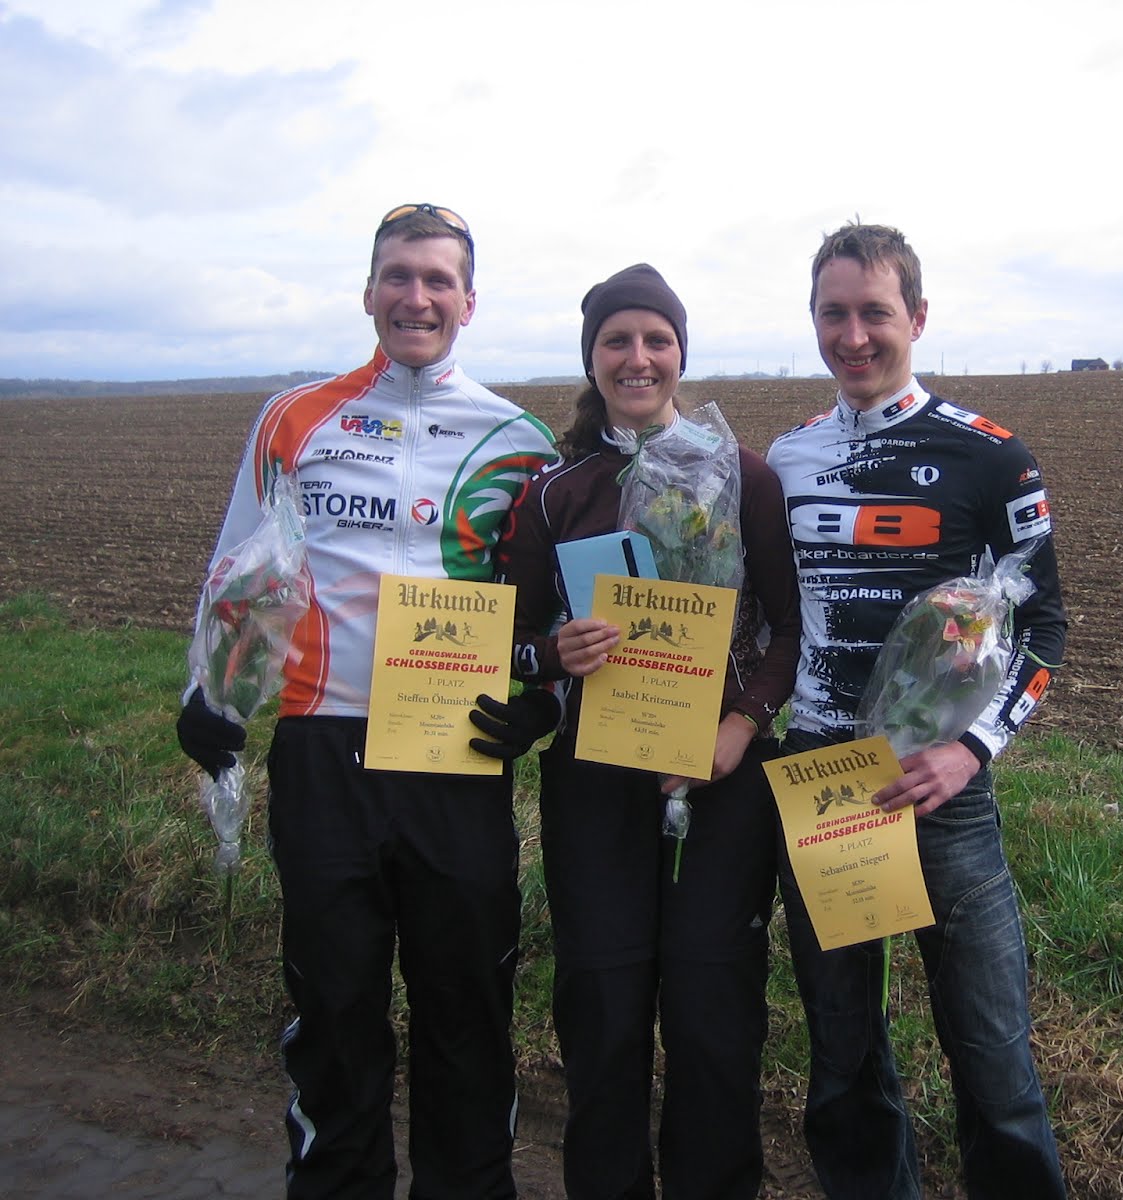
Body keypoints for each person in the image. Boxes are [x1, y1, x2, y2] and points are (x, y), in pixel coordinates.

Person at [175, 203, 560, 1199]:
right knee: (336, 1012)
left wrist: (544, 703)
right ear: (367, 292)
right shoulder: (294, 417)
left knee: (466, 1015)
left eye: (437, 280)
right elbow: (238, 564)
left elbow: (553, 612)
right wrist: (207, 690)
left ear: (468, 302)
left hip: (455, 759)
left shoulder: (520, 441)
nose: (415, 297)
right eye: (397, 275)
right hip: (322, 754)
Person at [765, 222, 1071, 1200]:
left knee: (992, 1056)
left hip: (942, 791)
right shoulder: (787, 459)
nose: (852, 336)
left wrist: (971, 751)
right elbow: (766, 618)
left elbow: (1044, 628)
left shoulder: (991, 457)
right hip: (824, 779)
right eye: (833, 314)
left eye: (875, 313)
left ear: (918, 317)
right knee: (844, 1057)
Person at [494, 263, 801, 1199]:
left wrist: (743, 724)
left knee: (715, 1016)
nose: (638, 357)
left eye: (657, 340)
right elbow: (507, 638)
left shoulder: (741, 474)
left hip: (721, 777)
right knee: (602, 1010)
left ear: (680, 354)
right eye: (616, 340)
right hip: (595, 781)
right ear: (591, 358)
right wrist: (553, 655)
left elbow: (788, 630)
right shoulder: (556, 490)